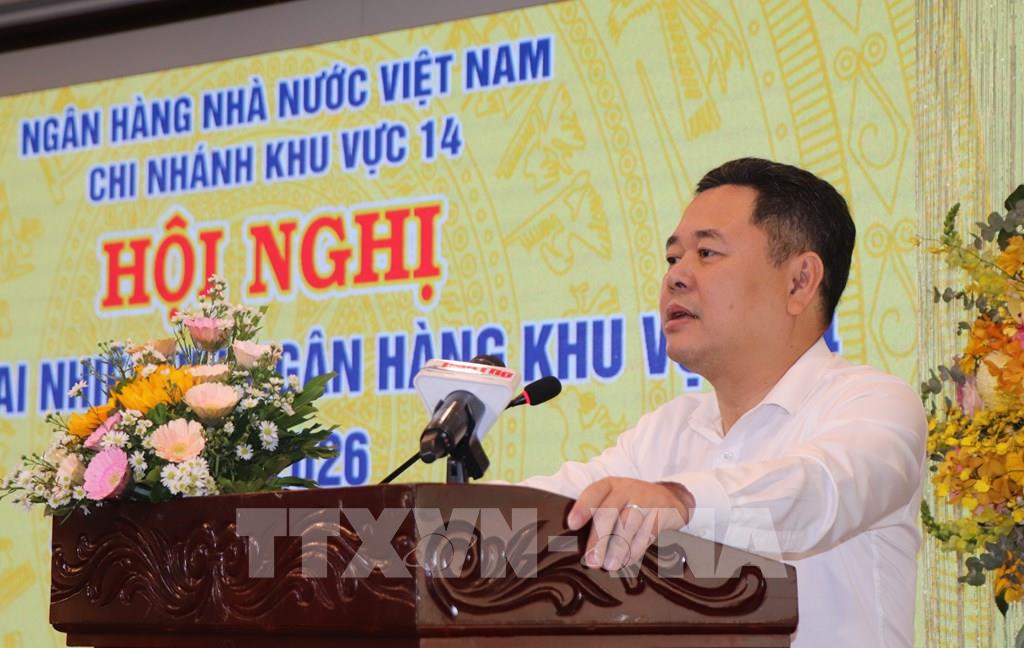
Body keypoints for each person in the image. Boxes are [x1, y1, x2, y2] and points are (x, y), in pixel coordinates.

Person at [520, 158, 926, 648]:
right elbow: (553, 507)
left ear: (799, 281)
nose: (675, 277)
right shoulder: (666, 431)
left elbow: (820, 492)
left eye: (707, 253)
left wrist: (682, 501)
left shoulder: (873, 404)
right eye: (673, 258)